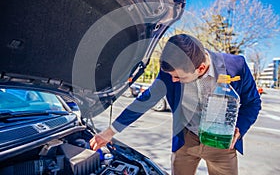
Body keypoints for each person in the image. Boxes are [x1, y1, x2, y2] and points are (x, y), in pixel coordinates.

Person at [90, 34, 261, 175]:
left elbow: (253, 103)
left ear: (201, 69)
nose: (173, 81)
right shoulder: (170, 72)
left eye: (179, 78)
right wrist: (109, 132)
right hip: (185, 141)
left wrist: (239, 128)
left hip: (222, 145)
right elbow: (144, 101)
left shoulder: (237, 66)